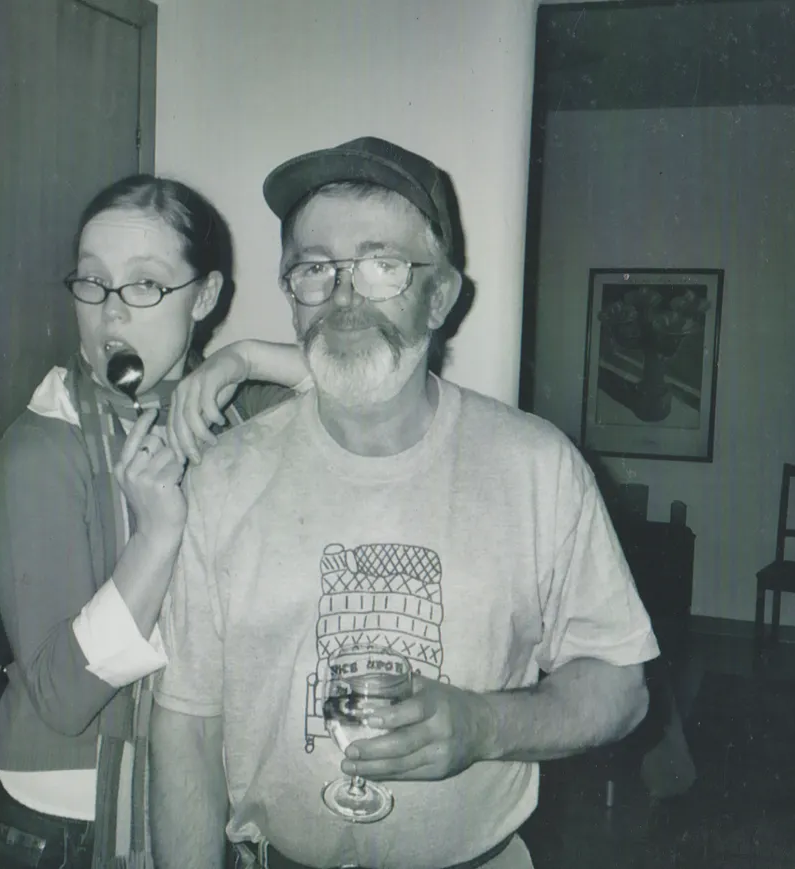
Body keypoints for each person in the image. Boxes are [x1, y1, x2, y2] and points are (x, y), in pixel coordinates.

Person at [149, 137, 660, 869]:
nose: (345, 297)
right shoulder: (222, 477)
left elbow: (623, 686)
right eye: (315, 268)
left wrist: (482, 724)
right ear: (291, 294)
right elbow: (188, 723)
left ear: (441, 294)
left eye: (383, 265)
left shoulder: (537, 467)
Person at [0, 174, 308, 869]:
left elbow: (372, 390)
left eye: (145, 285)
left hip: (198, 807)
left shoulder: (236, 415)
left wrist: (241, 359)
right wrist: (156, 536)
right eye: (93, 282)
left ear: (204, 297)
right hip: (55, 834)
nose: (111, 312)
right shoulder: (40, 445)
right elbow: (61, 695)